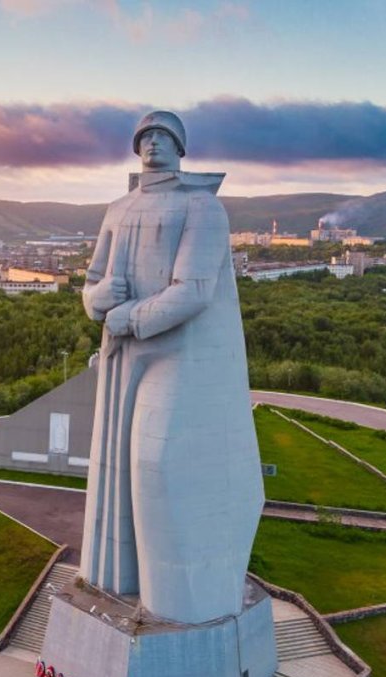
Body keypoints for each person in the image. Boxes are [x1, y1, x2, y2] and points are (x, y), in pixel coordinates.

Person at [79, 110, 264, 625]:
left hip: (178, 350)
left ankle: (180, 601)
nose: (153, 144)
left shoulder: (202, 207)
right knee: (117, 465)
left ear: (180, 147)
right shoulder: (118, 209)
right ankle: (120, 582)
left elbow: (195, 291)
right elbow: (91, 284)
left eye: (163, 136)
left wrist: (128, 317)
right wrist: (99, 298)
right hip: (123, 353)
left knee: (157, 463)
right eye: (145, 136)